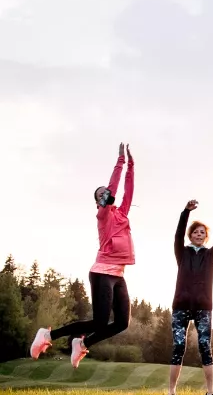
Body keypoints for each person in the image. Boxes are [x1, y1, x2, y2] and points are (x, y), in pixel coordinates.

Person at [30, 143, 136, 368]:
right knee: (99, 320)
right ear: (99, 202)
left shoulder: (122, 214)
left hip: (118, 274)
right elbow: (114, 188)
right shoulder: (103, 216)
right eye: (101, 194)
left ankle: (82, 343)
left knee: (121, 323)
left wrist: (132, 165)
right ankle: (48, 335)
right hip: (102, 273)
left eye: (105, 193)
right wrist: (120, 162)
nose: (106, 194)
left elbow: (129, 190)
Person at [168, 197, 213, 395]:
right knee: (179, 346)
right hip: (181, 306)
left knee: (205, 345)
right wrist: (185, 212)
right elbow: (178, 235)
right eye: (195, 232)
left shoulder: (210, 256)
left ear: (206, 237)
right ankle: (171, 393)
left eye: (202, 233)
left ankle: (211, 393)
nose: (199, 234)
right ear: (191, 235)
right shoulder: (182, 253)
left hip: (203, 307)